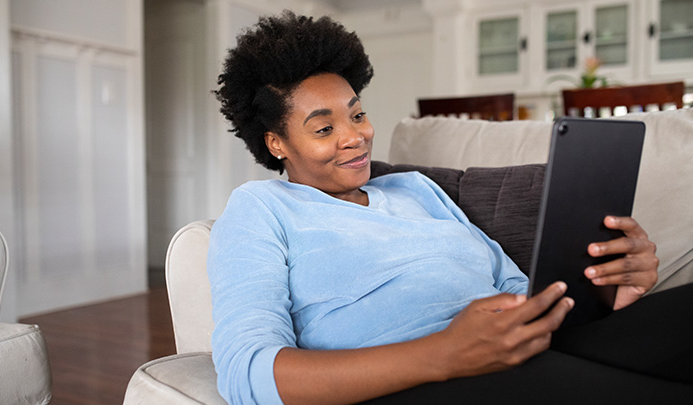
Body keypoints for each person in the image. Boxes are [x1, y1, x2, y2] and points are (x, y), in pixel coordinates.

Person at [209, 11, 693, 405]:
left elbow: (517, 291)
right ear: (276, 143)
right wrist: (444, 355)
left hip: (518, 348)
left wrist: (607, 295)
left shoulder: (416, 190)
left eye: (357, 114)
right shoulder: (261, 208)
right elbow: (245, 373)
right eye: (323, 128)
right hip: (420, 381)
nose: (355, 136)